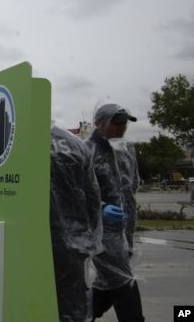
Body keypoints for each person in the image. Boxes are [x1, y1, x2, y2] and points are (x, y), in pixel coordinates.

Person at [86, 103, 144, 321]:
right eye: (116, 122)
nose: (121, 127)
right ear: (98, 122)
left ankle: (79, 315)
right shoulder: (86, 151)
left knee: (109, 282)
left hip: (125, 228)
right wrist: (101, 208)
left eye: (124, 122)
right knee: (122, 279)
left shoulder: (127, 150)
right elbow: (78, 192)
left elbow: (133, 184)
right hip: (102, 231)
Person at [49, 125, 102, 322]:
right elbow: (93, 196)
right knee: (72, 307)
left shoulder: (17, 140)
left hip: (28, 240)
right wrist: (91, 237)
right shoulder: (75, 143)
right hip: (74, 241)